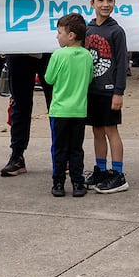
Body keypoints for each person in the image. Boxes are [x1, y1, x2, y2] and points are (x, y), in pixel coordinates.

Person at [0, 0, 72, 178]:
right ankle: (17, 155)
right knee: (21, 102)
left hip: (50, 45)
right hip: (20, 45)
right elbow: (1, 2)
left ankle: (61, 157)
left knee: (56, 102)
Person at [84, 0, 131, 192]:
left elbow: (121, 63)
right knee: (96, 131)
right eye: (101, 0)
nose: (105, 4)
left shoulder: (117, 31)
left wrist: (118, 92)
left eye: (109, 0)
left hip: (109, 90)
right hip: (91, 90)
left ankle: (118, 174)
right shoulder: (87, 29)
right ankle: (101, 169)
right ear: (92, 3)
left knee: (111, 130)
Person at [43, 14, 94, 197]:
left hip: (59, 110)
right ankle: (78, 183)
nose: (57, 36)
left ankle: (58, 183)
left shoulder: (58, 55)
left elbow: (49, 79)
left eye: (59, 33)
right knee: (76, 148)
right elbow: (89, 79)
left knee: (59, 148)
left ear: (70, 35)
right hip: (79, 111)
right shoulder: (87, 56)